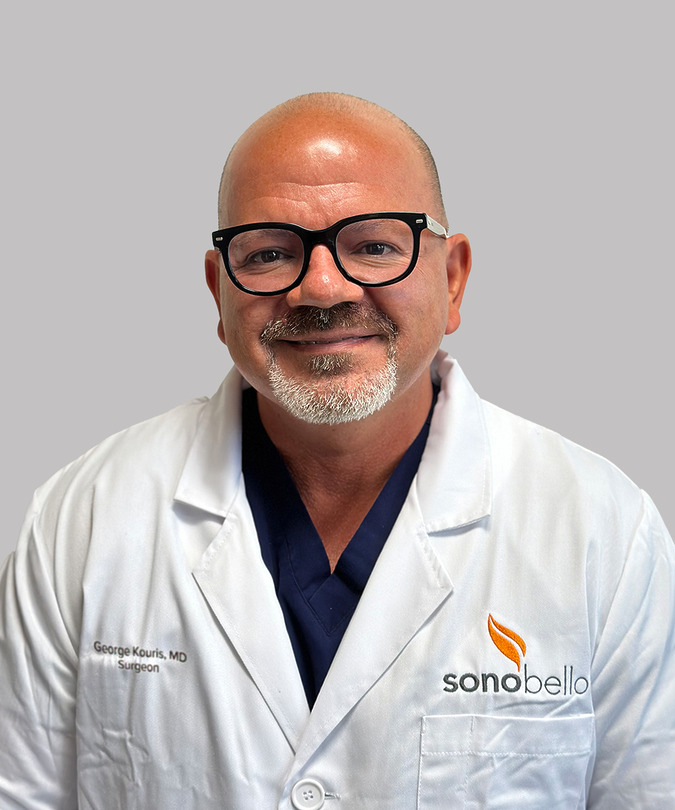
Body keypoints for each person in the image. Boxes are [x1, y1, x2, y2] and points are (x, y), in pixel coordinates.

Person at [0, 93, 673, 809]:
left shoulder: (601, 529)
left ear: (452, 279)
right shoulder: (82, 520)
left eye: (375, 246)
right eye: (268, 253)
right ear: (218, 294)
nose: (321, 286)